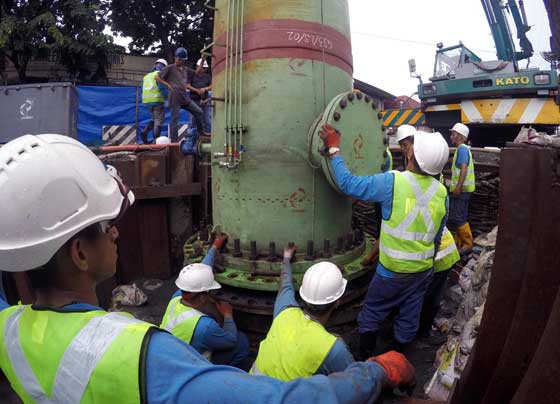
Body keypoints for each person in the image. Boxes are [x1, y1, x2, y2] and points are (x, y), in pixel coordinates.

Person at [0, 134, 415, 404]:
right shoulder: (143, 353)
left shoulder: (10, 331)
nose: (116, 235)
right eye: (108, 227)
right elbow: (280, 401)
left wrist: (214, 253)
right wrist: (374, 373)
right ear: (80, 254)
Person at [319, 125, 449, 358]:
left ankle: (365, 358)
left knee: (372, 312)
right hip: (422, 272)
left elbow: (348, 184)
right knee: (409, 315)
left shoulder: (393, 182)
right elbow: (436, 237)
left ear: (411, 153)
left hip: (392, 272)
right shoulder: (441, 193)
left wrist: (333, 148)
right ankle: (399, 361)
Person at [251, 244, 363, 380]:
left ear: (304, 295)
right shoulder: (332, 349)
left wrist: (286, 258)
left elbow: (285, 284)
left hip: (249, 390)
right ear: (337, 302)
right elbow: (355, 383)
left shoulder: (285, 311)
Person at [160, 235, 251, 369]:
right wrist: (228, 315)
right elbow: (231, 340)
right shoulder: (205, 326)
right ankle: (213, 375)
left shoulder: (176, 298)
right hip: (188, 366)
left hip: (170, 355)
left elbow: (201, 271)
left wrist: (215, 247)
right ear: (202, 297)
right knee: (241, 342)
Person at [156, 47, 209, 142]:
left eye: (182, 59)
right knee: (174, 120)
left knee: (199, 112)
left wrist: (202, 61)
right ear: (175, 58)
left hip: (184, 97)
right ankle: (174, 141)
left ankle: (201, 132)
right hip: (174, 97)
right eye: (179, 59)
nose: (180, 61)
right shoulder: (170, 68)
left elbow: (198, 72)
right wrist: (167, 84)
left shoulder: (185, 69)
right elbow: (157, 77)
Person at [417, 227, 460, 340]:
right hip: (447, 253)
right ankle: (424, 331)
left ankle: (418, 332)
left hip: (437, 258)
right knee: (433, 295)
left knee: (424, 297)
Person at [448, 123, 475, 252]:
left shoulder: (462, 149)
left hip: (462, 191)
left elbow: (464, 168)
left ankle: (467, 244)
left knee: (458, 217)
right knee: (459, 216)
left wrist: (458, 187)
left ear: (459, 136)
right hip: (463, 190)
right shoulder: (462, 149)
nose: (451, 136)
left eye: (453, 134)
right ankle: (460, 243)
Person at [140, 58, 168, 144]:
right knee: (158, 121)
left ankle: (145, 131)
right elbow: (162, 87)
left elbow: (142, 88)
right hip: (157, 100)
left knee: (154, 119)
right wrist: (167, 97)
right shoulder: (158, 74)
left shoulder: (146, 76)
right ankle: (156, 140)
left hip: (147, 101)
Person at [188, 57, 212, 134]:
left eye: (205, 68)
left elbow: (212, 85)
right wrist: (197, 91)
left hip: (205, 101)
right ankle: (193, 137)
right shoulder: (192, 75)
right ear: (197, 66)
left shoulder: (207, 76)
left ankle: (208, 137)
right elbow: (187, 85)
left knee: (207, 120)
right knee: (193, 120)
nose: (203, 70)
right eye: (202, 67)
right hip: (194, 101)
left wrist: (205, 89)